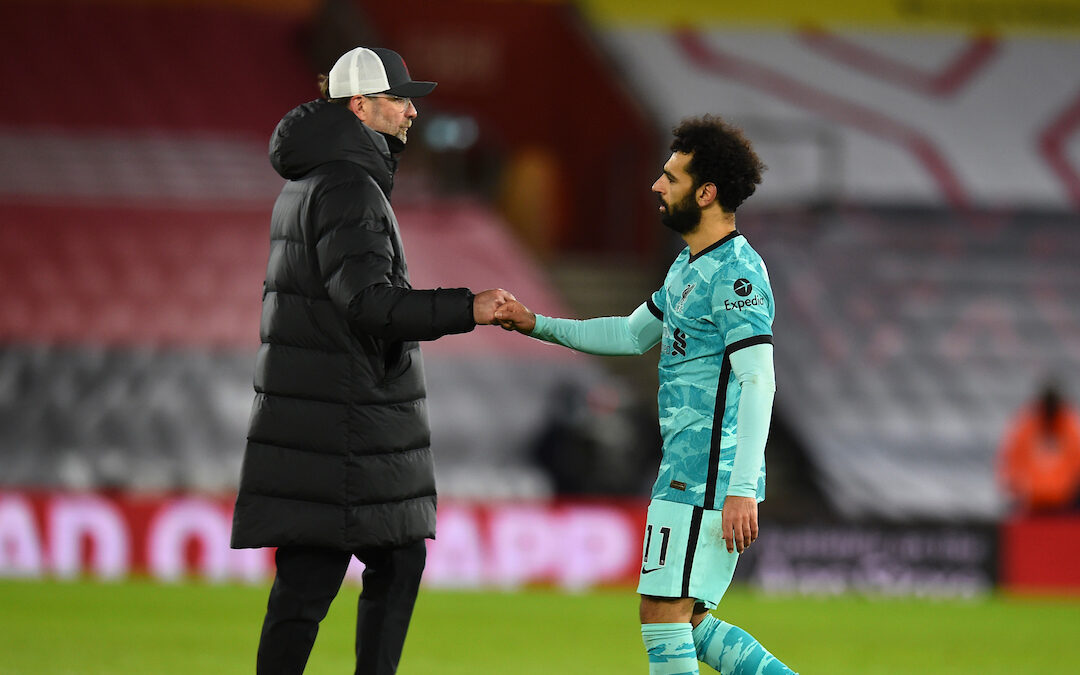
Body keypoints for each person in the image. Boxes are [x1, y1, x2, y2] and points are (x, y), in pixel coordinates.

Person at [230, 46, 514, 675]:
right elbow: (367, 304)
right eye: (399, 98)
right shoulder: (347, 186)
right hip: (346, 420)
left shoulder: (311, 180)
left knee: (328, 575)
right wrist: (471, 307)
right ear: (360, 105)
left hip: (326, 415)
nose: (413, 110)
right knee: (363, 567)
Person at [495, 116, 797, 674]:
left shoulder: (736, 274)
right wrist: (536, 322)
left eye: (671, 178)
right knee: (683, 619)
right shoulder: (689, 265)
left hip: (711, 473)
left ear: (706, 193)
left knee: (663, 612)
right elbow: (632, 334)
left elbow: (759, 379)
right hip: (684, 468)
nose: (656, 187)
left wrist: (742, 487)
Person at [999, 380, 1080, 513]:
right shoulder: (1026, 427)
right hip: (1031, 501)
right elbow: (1011, 465)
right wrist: (1020, 488)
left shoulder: (1071, 427)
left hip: (1066, 502)